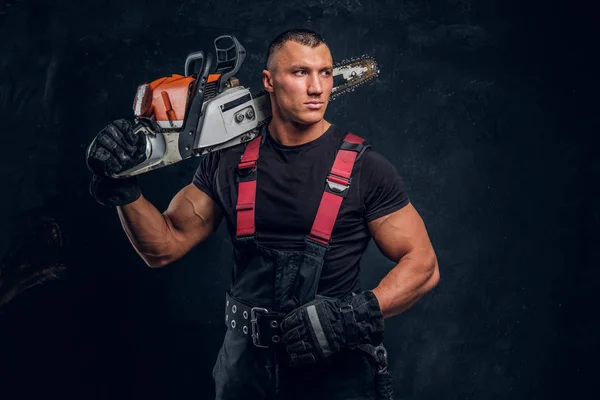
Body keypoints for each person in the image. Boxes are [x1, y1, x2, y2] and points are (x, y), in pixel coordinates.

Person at [86, 29, 440, 400]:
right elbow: (163, 246)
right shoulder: (227, 161)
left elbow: (424, 265)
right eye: (301, 72)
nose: (318, 88)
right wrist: (124, 191)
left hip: (334, 369)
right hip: (244, 370)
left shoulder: (367, 168)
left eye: (325, 72)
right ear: (268, 81)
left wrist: (352, 316)